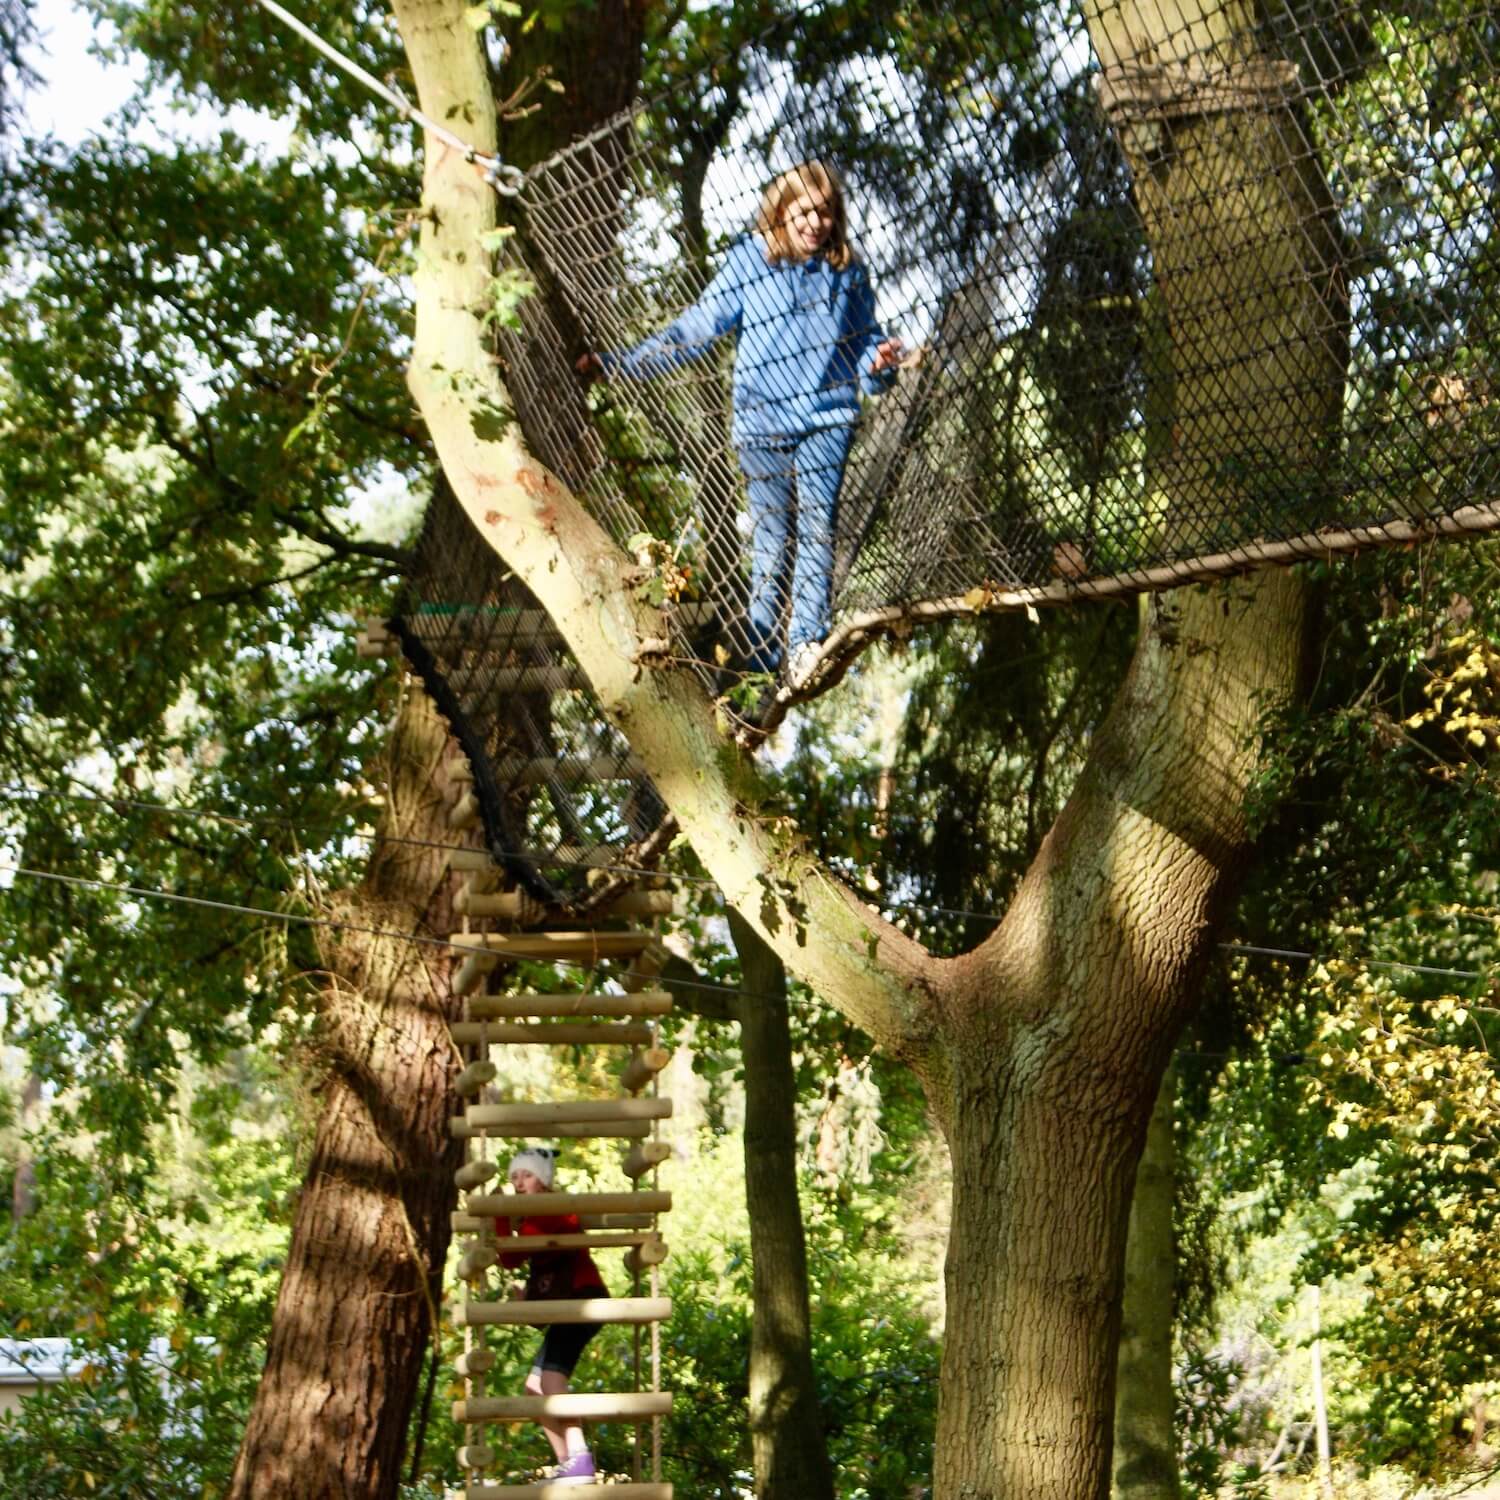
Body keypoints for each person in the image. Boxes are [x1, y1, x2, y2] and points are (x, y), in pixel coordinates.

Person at [577, 161, 904, 688]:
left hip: (827, 418)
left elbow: (867, 348)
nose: (816, 223)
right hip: (762, 419)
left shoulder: (849, 273)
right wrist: (620, 364)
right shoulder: (751, 261)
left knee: (818, 527)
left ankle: (805, 645)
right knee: (773, 535)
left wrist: (880, 364)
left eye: (826, 213)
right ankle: (762, 648)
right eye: (805, 212)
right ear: (779, 212)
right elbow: (697, 329)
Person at [495, 1147, 607, 1486]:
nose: (518, 1182)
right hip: (566, 1306)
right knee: (534, 1387)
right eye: (514, 1177)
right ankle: (567, 1464)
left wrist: (502, 1216)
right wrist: (500, 1217)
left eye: (526, 1175)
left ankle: (580, 1457)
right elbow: (511, 1260)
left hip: (581, 1300)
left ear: (543, 1180)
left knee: (551, 1382)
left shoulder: (556, 1210)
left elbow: (517, 1250)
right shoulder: (531, 1219)